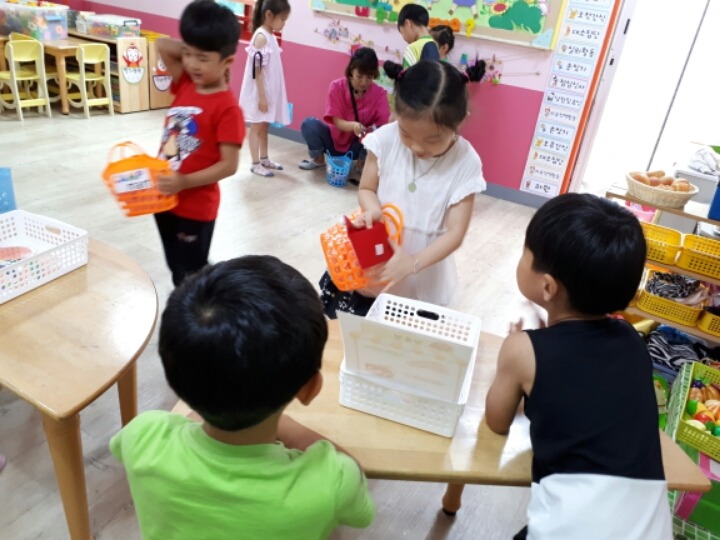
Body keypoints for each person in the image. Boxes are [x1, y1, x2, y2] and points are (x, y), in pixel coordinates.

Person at [110, 256, 376, 539]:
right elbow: (361, 507)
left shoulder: (142, 436)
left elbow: (123, 446)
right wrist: (287, 427)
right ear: (310, 389)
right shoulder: (332, 481)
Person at [485, 193, 672, 539]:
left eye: (526, 252)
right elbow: (586, 393)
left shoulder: (521, 350)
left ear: (547, 286)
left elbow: (496, 422)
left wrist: (518, 361)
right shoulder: (632, 340)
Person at [320, 59, 486, 318]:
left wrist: (412, 263)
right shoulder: (385, 139)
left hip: (423, 270)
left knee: (402, 333)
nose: (417, 147)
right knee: (357, 324)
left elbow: (455, 233)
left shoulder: (465, 162)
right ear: (396, 113)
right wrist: (373, 210)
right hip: (377, 256)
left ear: (460, 120)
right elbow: (366, 189)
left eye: (433, 139)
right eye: (406, 133)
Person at [155, 0, 245, 287]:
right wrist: (197, 45)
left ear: (227, 62)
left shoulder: (227, 109)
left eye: (202, 58)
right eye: (188, 54)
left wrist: (183, 182)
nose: (192, 64)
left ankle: (207, 300)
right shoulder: (186, 82)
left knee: (191, 272)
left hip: (195, 208)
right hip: (163, 198)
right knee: (176, 266)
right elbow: (161, 44)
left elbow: (229, 165)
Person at [298, 48, 390, 176]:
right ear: (351, 70)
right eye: (359, 76)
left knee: (374, 136)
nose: (364, 82)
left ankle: (362, 165)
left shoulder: (379, 93)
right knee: (309, 124)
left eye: (369, 77)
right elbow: (336, 121)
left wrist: (370, 131)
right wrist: (354, 126)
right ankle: (318, 159)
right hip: (332, 141)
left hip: (357, 147)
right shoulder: (336, 86)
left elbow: (384, 125)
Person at [239, 0, 291, 177]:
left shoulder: (271, 36)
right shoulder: (261, 37)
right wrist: (262, 96)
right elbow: (257, 71)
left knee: (265, 126)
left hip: (268, 92)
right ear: (269, 15)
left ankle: (264, 158)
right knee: (257, 127)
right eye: (282, 19)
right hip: (260, 94)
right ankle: (255, 164)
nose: (283, 23)